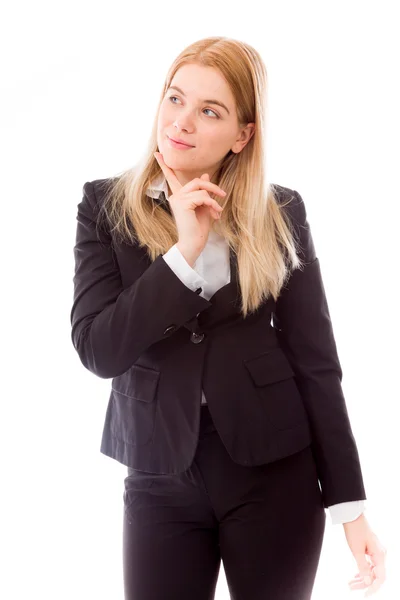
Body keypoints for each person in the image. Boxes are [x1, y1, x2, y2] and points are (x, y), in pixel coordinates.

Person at [70, 36, 387, 599]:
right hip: (159, 473)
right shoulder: (106, 205)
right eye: (175, 98)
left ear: (243, 135)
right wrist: (181, 255)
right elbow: (99, 349)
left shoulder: (281, 210)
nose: (181, 122)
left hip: (275, 471)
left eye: (209, 110)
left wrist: (350, 505)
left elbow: (317, 362)